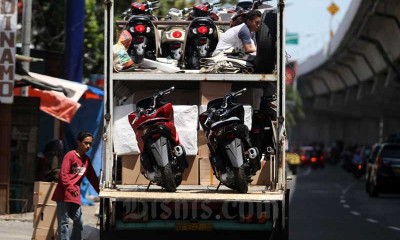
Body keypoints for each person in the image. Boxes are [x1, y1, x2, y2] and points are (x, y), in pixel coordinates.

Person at [51, 131, 100, 240]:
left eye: (90, 144)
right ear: (79, 142)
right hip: (64, 194)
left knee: (79, 221)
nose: (88, 146)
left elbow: (92, 177)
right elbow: (63, 175)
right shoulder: (70, 156)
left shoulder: (86, 160)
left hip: (74, 195)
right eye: (85, 143)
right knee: (64, 222)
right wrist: (71, 188)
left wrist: (101, 191)